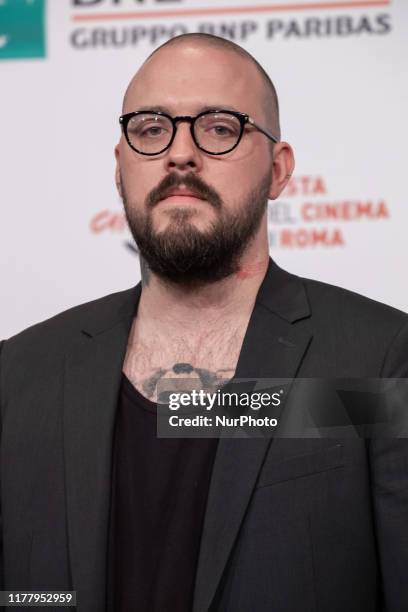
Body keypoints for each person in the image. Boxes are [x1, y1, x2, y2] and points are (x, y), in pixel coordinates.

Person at [1, 33, 407, 612]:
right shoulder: (18, 375)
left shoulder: (379, 360)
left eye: (220, 127)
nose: (180, 153)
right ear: (120, 169)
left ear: (278, 169)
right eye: (150, 128)